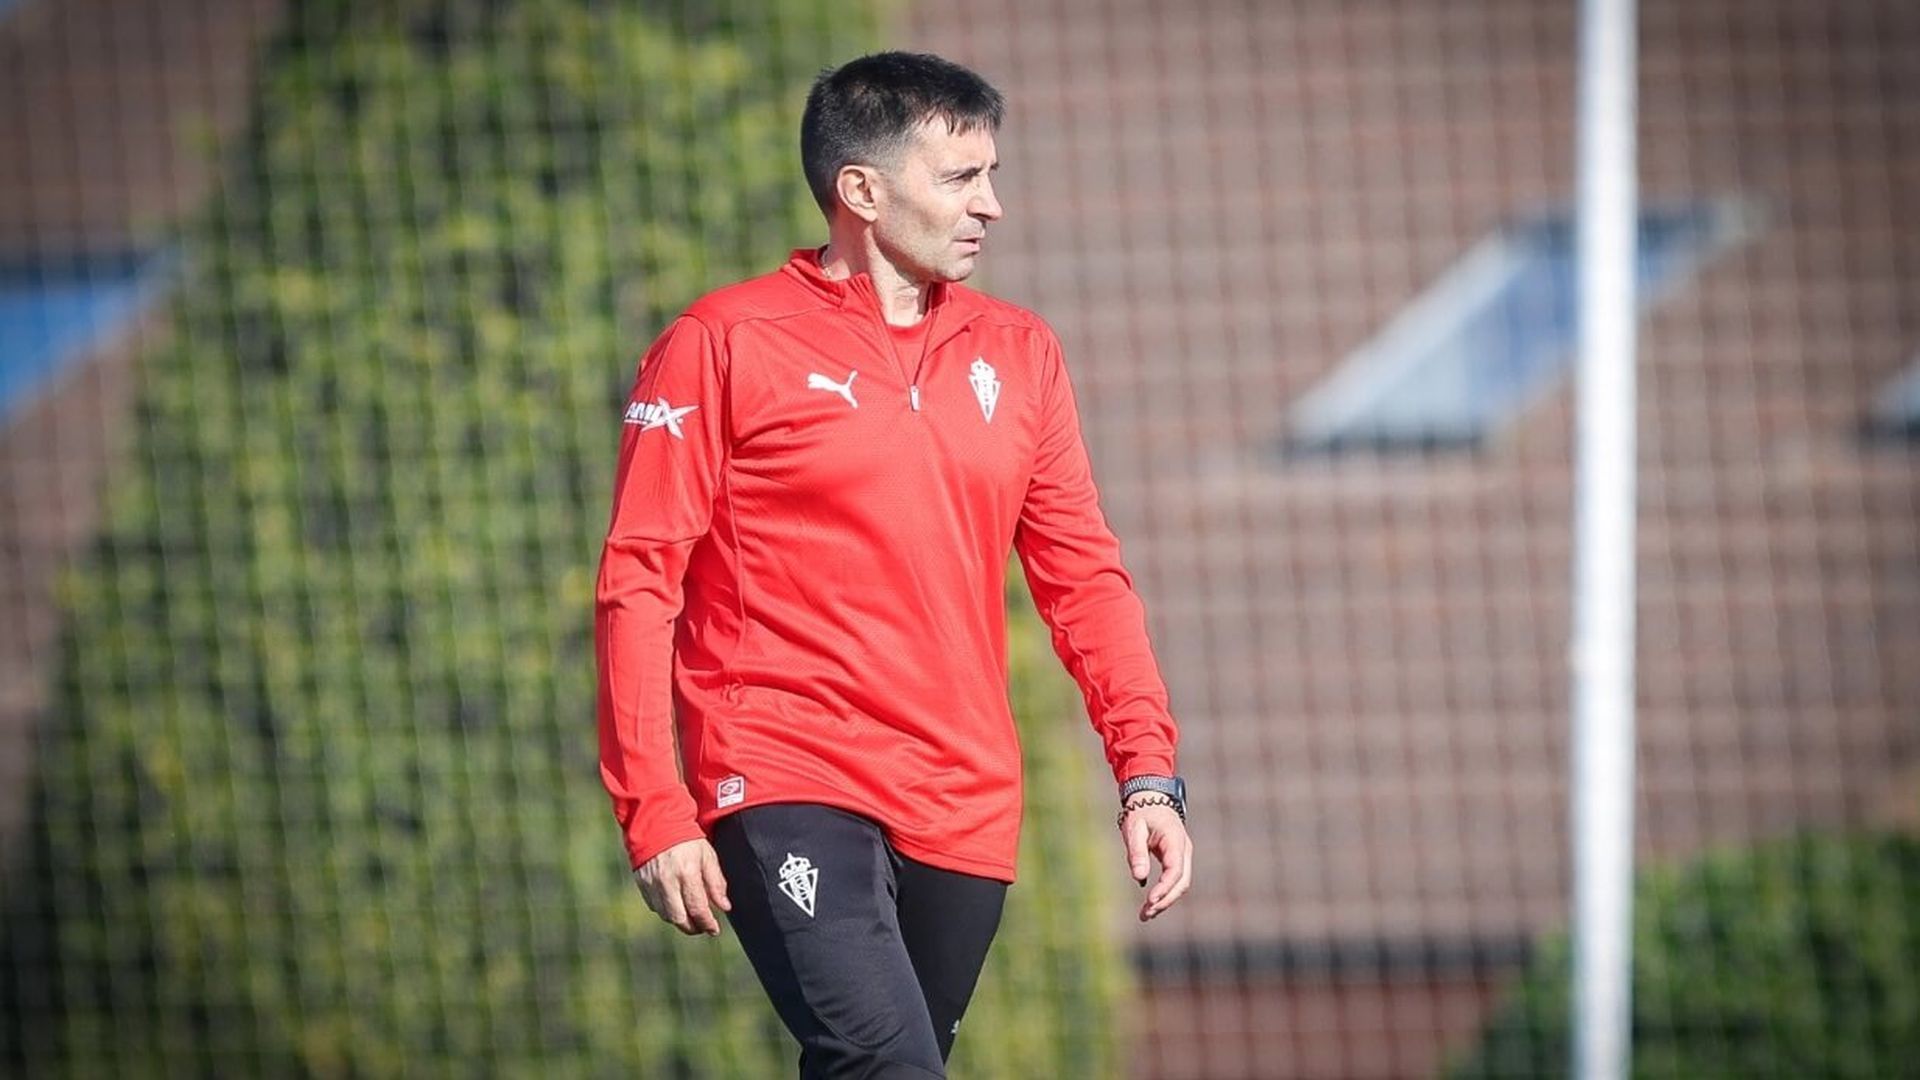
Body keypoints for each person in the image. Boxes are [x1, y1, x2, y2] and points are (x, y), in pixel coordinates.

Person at [595, 50, 1192, 1078]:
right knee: (884, 1063)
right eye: (961, 179)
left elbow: (1084, 580)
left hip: (963, 801)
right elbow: (638, 582)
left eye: (992, 174)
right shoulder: (721, 342)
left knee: (882, 1066)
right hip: (784, 770)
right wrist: (656, 809)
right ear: (861, 191)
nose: (992, 206)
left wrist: (1148, 775)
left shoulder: (1022, 353)